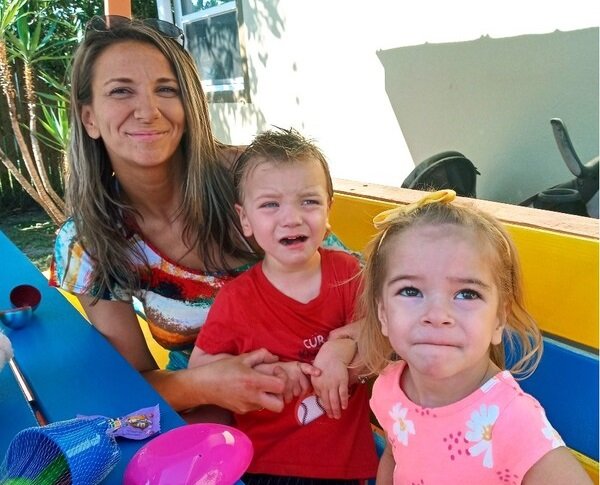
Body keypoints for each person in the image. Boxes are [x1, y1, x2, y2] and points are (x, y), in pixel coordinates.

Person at [49, 16, 352, 420]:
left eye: (166, 89)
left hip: (323, 392)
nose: (148, 111)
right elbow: (131, 383)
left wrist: (345, 350)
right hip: (210, 410)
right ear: (89, 118)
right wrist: (206, 385)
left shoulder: (252, 180)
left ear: (188, 104)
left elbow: (364, 293)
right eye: (121, 91)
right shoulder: (89, 240)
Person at [357, 189, 592, 484]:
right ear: (383, 313)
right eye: (410, 291)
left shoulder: (513, 421)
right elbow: (395, 456)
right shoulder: (388, 388)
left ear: (499, 319)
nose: (437, 314)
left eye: (467, 294)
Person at [189, 127, 378, 484]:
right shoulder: (236, 300)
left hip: (343, 466)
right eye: (270, 204)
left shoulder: (348, 273)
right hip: (264, 465)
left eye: (308, 201)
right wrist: (267, 376)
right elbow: (201, 370)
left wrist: (341, 349)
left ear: (328, 209)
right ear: (245, 220)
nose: (291, 218)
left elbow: (382, 336)